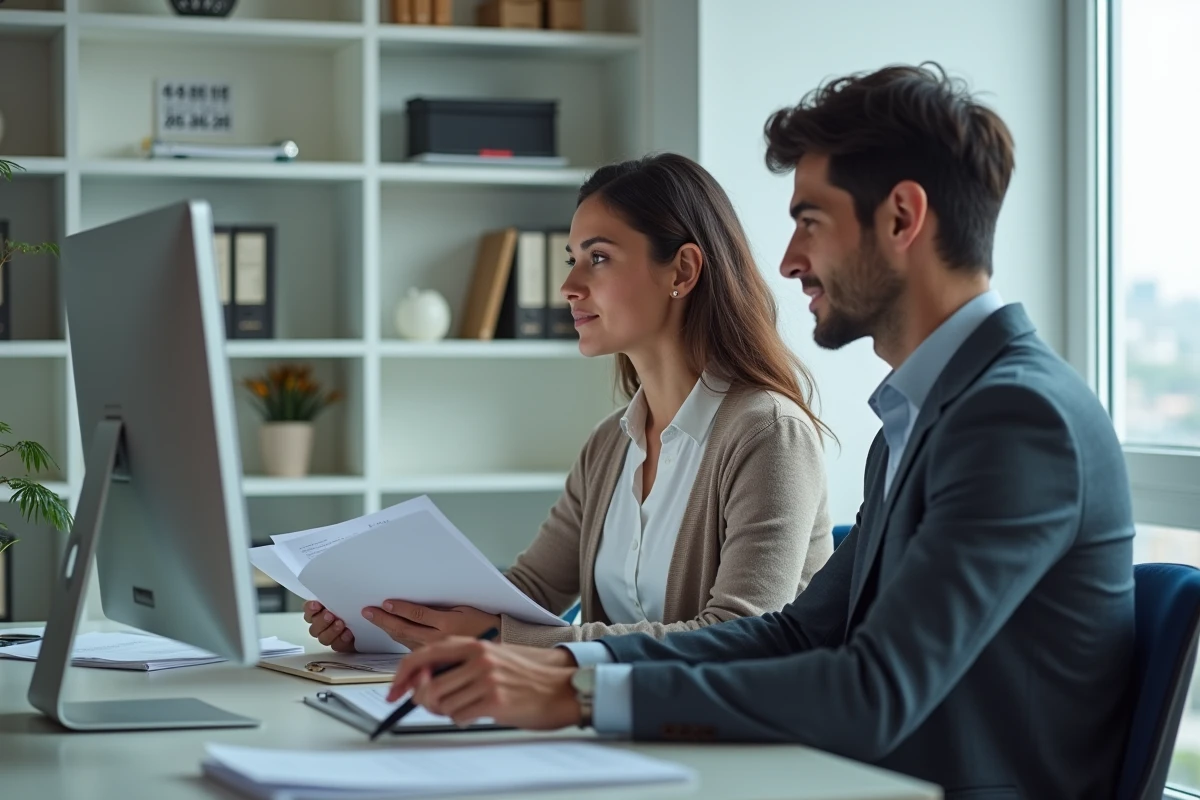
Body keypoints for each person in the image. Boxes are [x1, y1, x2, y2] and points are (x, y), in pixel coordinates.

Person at [385, 64, 1137, 799]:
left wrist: (580, 694)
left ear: (903, 218)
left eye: (810, 222)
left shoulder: (1016, 417)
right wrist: (565, 673)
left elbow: (874, 689)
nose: (787, 261)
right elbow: (794, 634)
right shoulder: (921, 417)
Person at [304, 153, 835, 651]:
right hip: (612, 724)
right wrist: (383, 617)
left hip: (734, 741)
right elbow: (530, 591)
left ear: (682, 270)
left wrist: (499, 639)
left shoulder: (767, 432)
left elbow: (738, 637)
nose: (568, 286)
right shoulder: (611, 443)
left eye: (598, 258)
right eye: (572, 259)